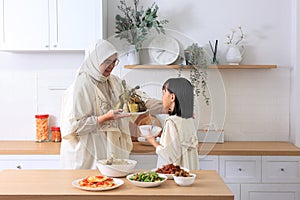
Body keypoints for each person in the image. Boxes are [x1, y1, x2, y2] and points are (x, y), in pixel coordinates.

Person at [60, 39, 162, 169]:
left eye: (114, 61)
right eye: (107, 61)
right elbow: (74, 127)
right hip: (87, 154)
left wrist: (170, 107)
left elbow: (141, 101)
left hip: (109, 152)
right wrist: (105, 118)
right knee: (89, 184)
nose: (112, 66)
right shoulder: (80, 86)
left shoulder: (114, 82)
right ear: (94, 61)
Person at [146, 77, 199, 170]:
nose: (162, 98)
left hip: (176, 175)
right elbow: (180, 144)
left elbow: (170, 156)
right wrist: (164, 135)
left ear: (172, 97)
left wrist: (152, 141)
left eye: (163, 93)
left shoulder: (171, 122)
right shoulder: (188, 120)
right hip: (189, 172)